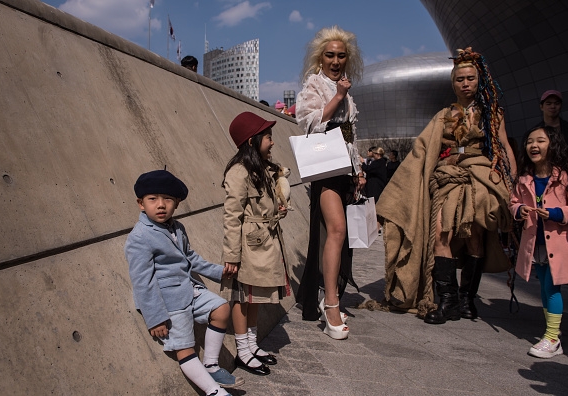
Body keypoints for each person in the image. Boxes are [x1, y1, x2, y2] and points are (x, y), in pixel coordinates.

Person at [376, 47, 517, 323]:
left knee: (474, 236)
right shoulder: (443, 115)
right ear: (452, 83)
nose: (465, 84)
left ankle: (467, 300)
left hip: (479, 179)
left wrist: (514, 187)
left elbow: (504, 147)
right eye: (460, 79)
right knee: (441, 231)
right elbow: (422, 150)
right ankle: (448, 301)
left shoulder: (493, 115)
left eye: (470, 78)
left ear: (480, 81)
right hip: (448, 179)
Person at [124, 170, 242, 396]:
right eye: (153, 199)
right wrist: (155, 317)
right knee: (185, 349)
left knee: (221, 309)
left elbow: (191, 258)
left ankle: (211, 365)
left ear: (176, 204)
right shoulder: (139, 237)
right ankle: (214, 392)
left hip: (190, 291)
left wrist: (220, 273)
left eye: (168, 199)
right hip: (168, 304)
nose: (161, 205)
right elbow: (142, 282)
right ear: (141, 204)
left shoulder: (177, 228)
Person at [295, 25, 365, 340]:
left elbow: (351, 135)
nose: (335, 61)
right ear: (320, 58)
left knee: (337, 236)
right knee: (336, 230)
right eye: (330, 55)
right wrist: (337, 96)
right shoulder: (315, 84)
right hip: (325, 170)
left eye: (341, 55)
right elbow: (308, 123)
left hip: (344, 170)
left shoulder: (347, 89)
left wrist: (358, 168)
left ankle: (325, 295)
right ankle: (331, 304)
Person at [509, 125, 568, 358]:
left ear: (552, 145)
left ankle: (552, 338)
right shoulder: (524, 178)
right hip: (537, 241)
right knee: (544, 285)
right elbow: (513, 201)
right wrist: (519, 209)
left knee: (551, 288)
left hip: (559, 243)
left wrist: (557, 213)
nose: (534, 145)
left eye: (541, 141)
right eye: (530, 141)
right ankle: (552, 334)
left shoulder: (565, 177)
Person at [221, 112, 290, 375]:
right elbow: (231, 215)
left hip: (263, 241)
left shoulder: (261, 168)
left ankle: (251, 344)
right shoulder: (239, 172)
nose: (272, 142)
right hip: (247, 246)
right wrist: (232, 255)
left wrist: (278, 208)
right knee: (242, 298)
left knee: (256, 296)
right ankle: (242, 351)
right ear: (252, 141)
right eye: (268, 137)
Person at [532, 90, 568, 199]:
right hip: (545, 184)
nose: (553, 106)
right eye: (548, 103)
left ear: (561, 106)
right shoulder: (533, 134)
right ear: (541, 107)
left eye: (556, 103)